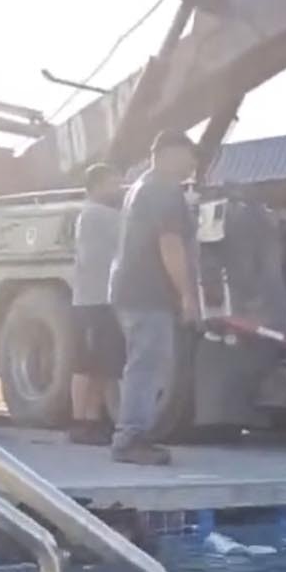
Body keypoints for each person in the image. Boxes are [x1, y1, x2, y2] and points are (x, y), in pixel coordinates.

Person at [108, 130, 199, 466]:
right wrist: (187, 295)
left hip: (132, 290)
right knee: (147, 365)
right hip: (149, 293)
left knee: (143, 364)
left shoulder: (141, 186)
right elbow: (169, 244)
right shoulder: (163, 188)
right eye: (191, 156)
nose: (193, 164)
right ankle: (131, 437)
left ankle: (133, 433)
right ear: (171, 153)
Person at [67, 163, 125, 446]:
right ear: (98, 185)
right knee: (86, 365)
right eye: (114, 183)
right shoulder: (96, 214)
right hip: (92, 300)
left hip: (104, 299)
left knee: (102, 365)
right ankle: (80, 421)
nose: (119, 189)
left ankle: (92, 420)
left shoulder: (100, 214)